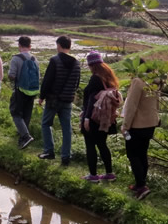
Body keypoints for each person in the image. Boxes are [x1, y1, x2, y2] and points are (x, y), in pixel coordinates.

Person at [38, 35, 81, 166]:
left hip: (53, 99)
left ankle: (49, 151)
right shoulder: (76, 63)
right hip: (68, 99)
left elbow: (48, 80)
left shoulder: (55, 60)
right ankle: (65, 156)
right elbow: (77, 83)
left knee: (46, 124)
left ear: (59, 45)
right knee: (66, 128)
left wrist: (41, 96)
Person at [80, 51, 122, 182]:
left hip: (93, 118)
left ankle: (93, 175)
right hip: (104, 117)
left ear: (91, 64)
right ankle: (109, 173)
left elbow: (92, 100)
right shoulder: (109, 78)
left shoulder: (95, 78)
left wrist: (86, 118)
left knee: (90, 145)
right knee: (102, 144)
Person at [121, 59, 160, 200]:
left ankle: (142, 186)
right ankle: (140, 184)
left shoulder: (138, 82)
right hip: (150, 124)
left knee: (133, 154)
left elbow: (131, 106)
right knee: (142, 153)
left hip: (137, 125)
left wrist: (125, 126)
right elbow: (157, 103)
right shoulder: (155, 82)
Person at [8, 36, 39, 149]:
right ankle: (22, 138)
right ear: (30, 46)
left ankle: (26, 136)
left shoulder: (16, 58)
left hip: (20, 90)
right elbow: (38, 76)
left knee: (15, 112)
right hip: (32, 90)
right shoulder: (35, 59)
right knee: (27, 113)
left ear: (19, 46)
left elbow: (12, 75)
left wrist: (11, 77)